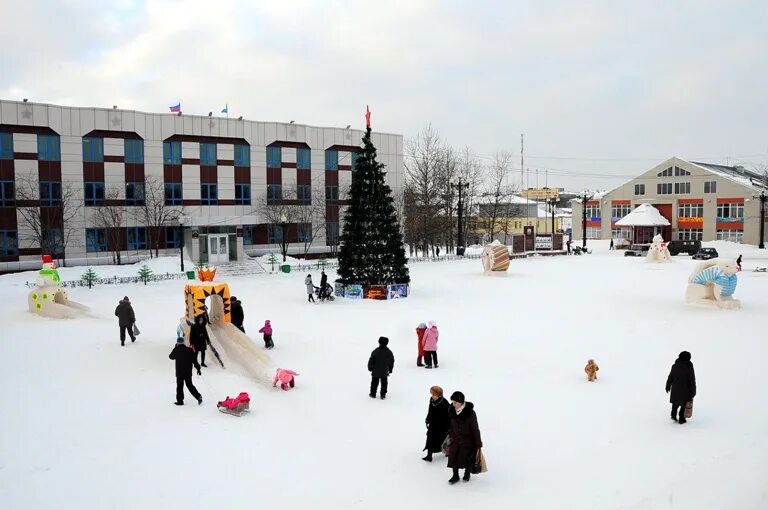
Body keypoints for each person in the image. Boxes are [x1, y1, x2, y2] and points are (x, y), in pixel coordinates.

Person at [447, 391, 482, 484]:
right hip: (455, 439)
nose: (453, 404)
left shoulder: (470, 413)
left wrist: (478, 443)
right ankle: (455, 475)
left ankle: (467, 473)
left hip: (467, 441)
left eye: (455, 402)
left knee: (467, 457)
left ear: (461, 402)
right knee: (453, 457)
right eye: (452, 402)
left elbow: (475, 429)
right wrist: (450, 434)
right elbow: (451, 425)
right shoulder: (451, 410)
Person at [169, 337, 202, 406]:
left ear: (177, 343)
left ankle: (180, 401)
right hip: (188, 372)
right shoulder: (189, 350)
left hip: (180, 372)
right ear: (184, 342)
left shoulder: (177, 350)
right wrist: (198, 368)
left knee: (180, 386)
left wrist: (175, 348)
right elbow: (194, 361)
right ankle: (198, 396)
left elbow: (171, 356)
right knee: (190, 385)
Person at [665, 351, 696, 424]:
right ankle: (682, 418)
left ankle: (673, 415)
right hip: (685, 390)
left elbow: (670, 377)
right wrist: (693, 391)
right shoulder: (689, 367)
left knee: (675, 403)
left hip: (675, 389)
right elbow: (692, 380)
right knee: (683, 404)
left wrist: (667, 386)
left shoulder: (675, 365)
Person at [422, 385, 450, 462]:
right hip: (433, 424)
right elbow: (430, 410)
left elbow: (448, 417)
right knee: (430, 438)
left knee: (443, 440)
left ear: (439, 395)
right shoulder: (431, 400)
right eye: (432, 394)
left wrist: (448, 427)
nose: (432, 396)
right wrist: (427, 419)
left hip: (442, 426)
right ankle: (429, 455)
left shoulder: (445, 403)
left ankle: (448, 452)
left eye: (434, 395)